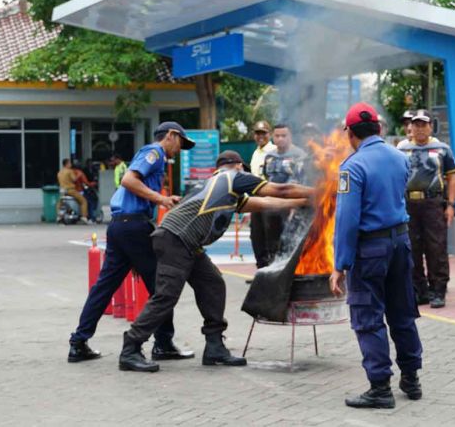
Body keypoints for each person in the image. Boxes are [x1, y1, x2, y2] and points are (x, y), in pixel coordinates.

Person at [118, 151, 314, 372]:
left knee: (213, 284)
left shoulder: (219, 187)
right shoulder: (232, 177)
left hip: (185, 242)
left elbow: (266, 202)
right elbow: (281, 190)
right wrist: (322, 191)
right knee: (166, 296)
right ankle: (130, 348)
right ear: (239, 166)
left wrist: (303, 201)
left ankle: (214, 346)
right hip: (177, 239)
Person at [67, 122, 196, 363]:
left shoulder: (155, 155)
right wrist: (161, 199)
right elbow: (128, 180)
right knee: (162, 287)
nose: (179, 151)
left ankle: (78, 342)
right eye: (180, 143)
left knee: (105, 286)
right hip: (134, 226)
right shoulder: (154, 152)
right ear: (171, 136)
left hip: (120, 225)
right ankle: (163, 342)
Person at [330, 102, 423, 409]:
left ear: (349, 133)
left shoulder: (352, 167)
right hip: (400, 242)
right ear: (379, 129)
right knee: (402, 311)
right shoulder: (400, 157)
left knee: (368, 317)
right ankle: (411, 378)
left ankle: (380, 388)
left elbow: (347, 220)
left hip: (370, 249)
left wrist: (340, 264)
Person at [398, 109, 455, 308]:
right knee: (411, 248)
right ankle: (418, 291)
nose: (419, 128)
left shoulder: (442, 149)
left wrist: (450, 205)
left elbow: (452, 178)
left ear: (431, 126)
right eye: (416, 124)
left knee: (436, 247)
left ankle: (438, 291)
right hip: (408, 205)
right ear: (410, 127)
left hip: (433, 203)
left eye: (424, 124)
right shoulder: (401, 149)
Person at [262, 123, 307, 263]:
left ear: (290, 136)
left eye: (284, 135)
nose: (280, 139)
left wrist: (294, 206)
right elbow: (266, 177)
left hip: (291, 205)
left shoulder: (300, 155)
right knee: (269, 240)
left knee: (288, 240)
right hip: (271, 205)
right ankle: (268, 266)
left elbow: (302, 181)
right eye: (277, 136)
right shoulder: (269, 156)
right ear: (273, 137)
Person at [247, 121, 277, 276]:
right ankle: (262, 272)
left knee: (269, 236)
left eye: (263, 133)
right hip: (257, 198)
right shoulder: (256, 152)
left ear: (269, 134)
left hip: (269, 198)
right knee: (256, 236)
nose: (260, 136)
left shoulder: (273, 150)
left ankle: (271, 273)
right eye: (257, 133)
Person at [57, 158, 89, 224]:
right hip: (70, 190)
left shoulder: (60, 172)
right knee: (83, 201)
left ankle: (59, 216)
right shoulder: (69, 171)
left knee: (60, 203)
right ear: (67, 164)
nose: (71, 165)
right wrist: (79, 175)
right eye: (70, 163)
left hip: (63, 191)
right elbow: (74, 179)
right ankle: (84, 217)